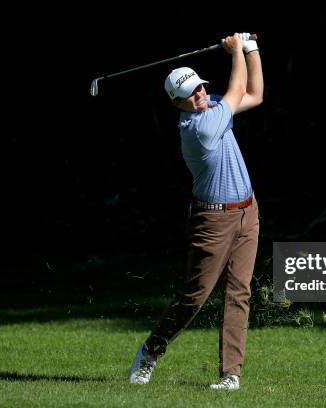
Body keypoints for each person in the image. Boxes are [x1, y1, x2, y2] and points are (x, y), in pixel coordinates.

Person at [127, 32, 263, 390]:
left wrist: (252, 49)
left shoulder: (214, 107)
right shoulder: (198, 128)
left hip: (248, 211)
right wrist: (236, 52)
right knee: (195, 297)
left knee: (239, 292)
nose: (201, 94)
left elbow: (255, 94)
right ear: (178, 104)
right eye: (192, 93)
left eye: (201, 87)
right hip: (214, 221)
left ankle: (230, 374)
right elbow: (236, 93)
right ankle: (150, 351)